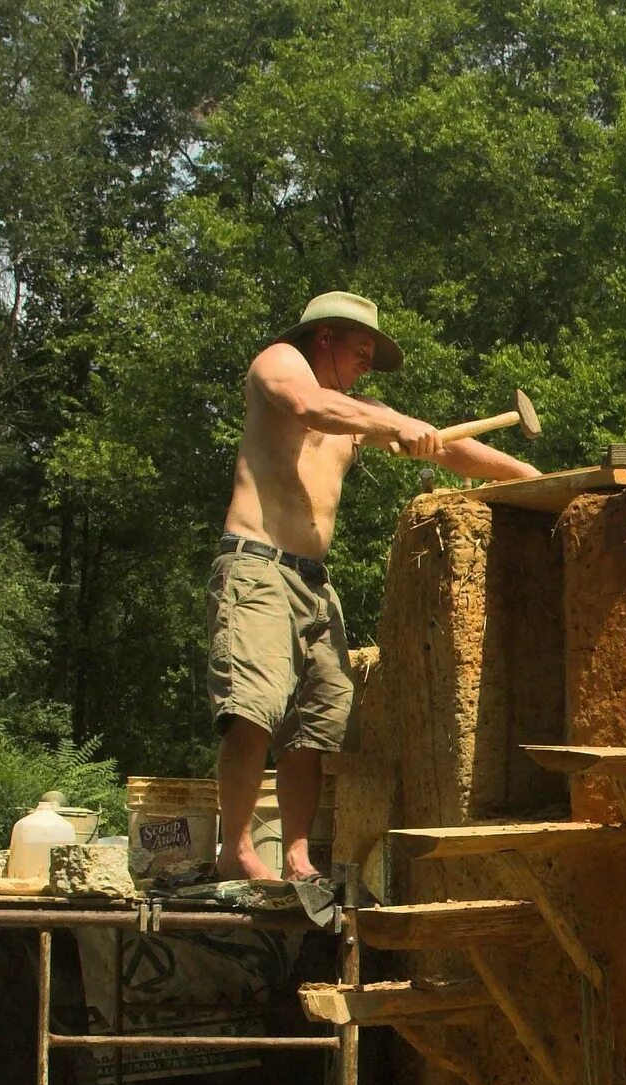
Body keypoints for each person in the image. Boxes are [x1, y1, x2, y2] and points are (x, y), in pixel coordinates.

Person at [212, 291, 539, 881]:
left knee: (317, 717)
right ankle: (234, 851)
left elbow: (450, 448)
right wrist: (393, 421)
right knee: (252, 711)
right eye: (360, 351)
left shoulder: (358, 412)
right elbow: (307, 406)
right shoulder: (281, 363)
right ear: (325, 339)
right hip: (257, 566)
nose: (366, 364)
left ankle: (295, 856)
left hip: (313, 583)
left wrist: (529, 475)